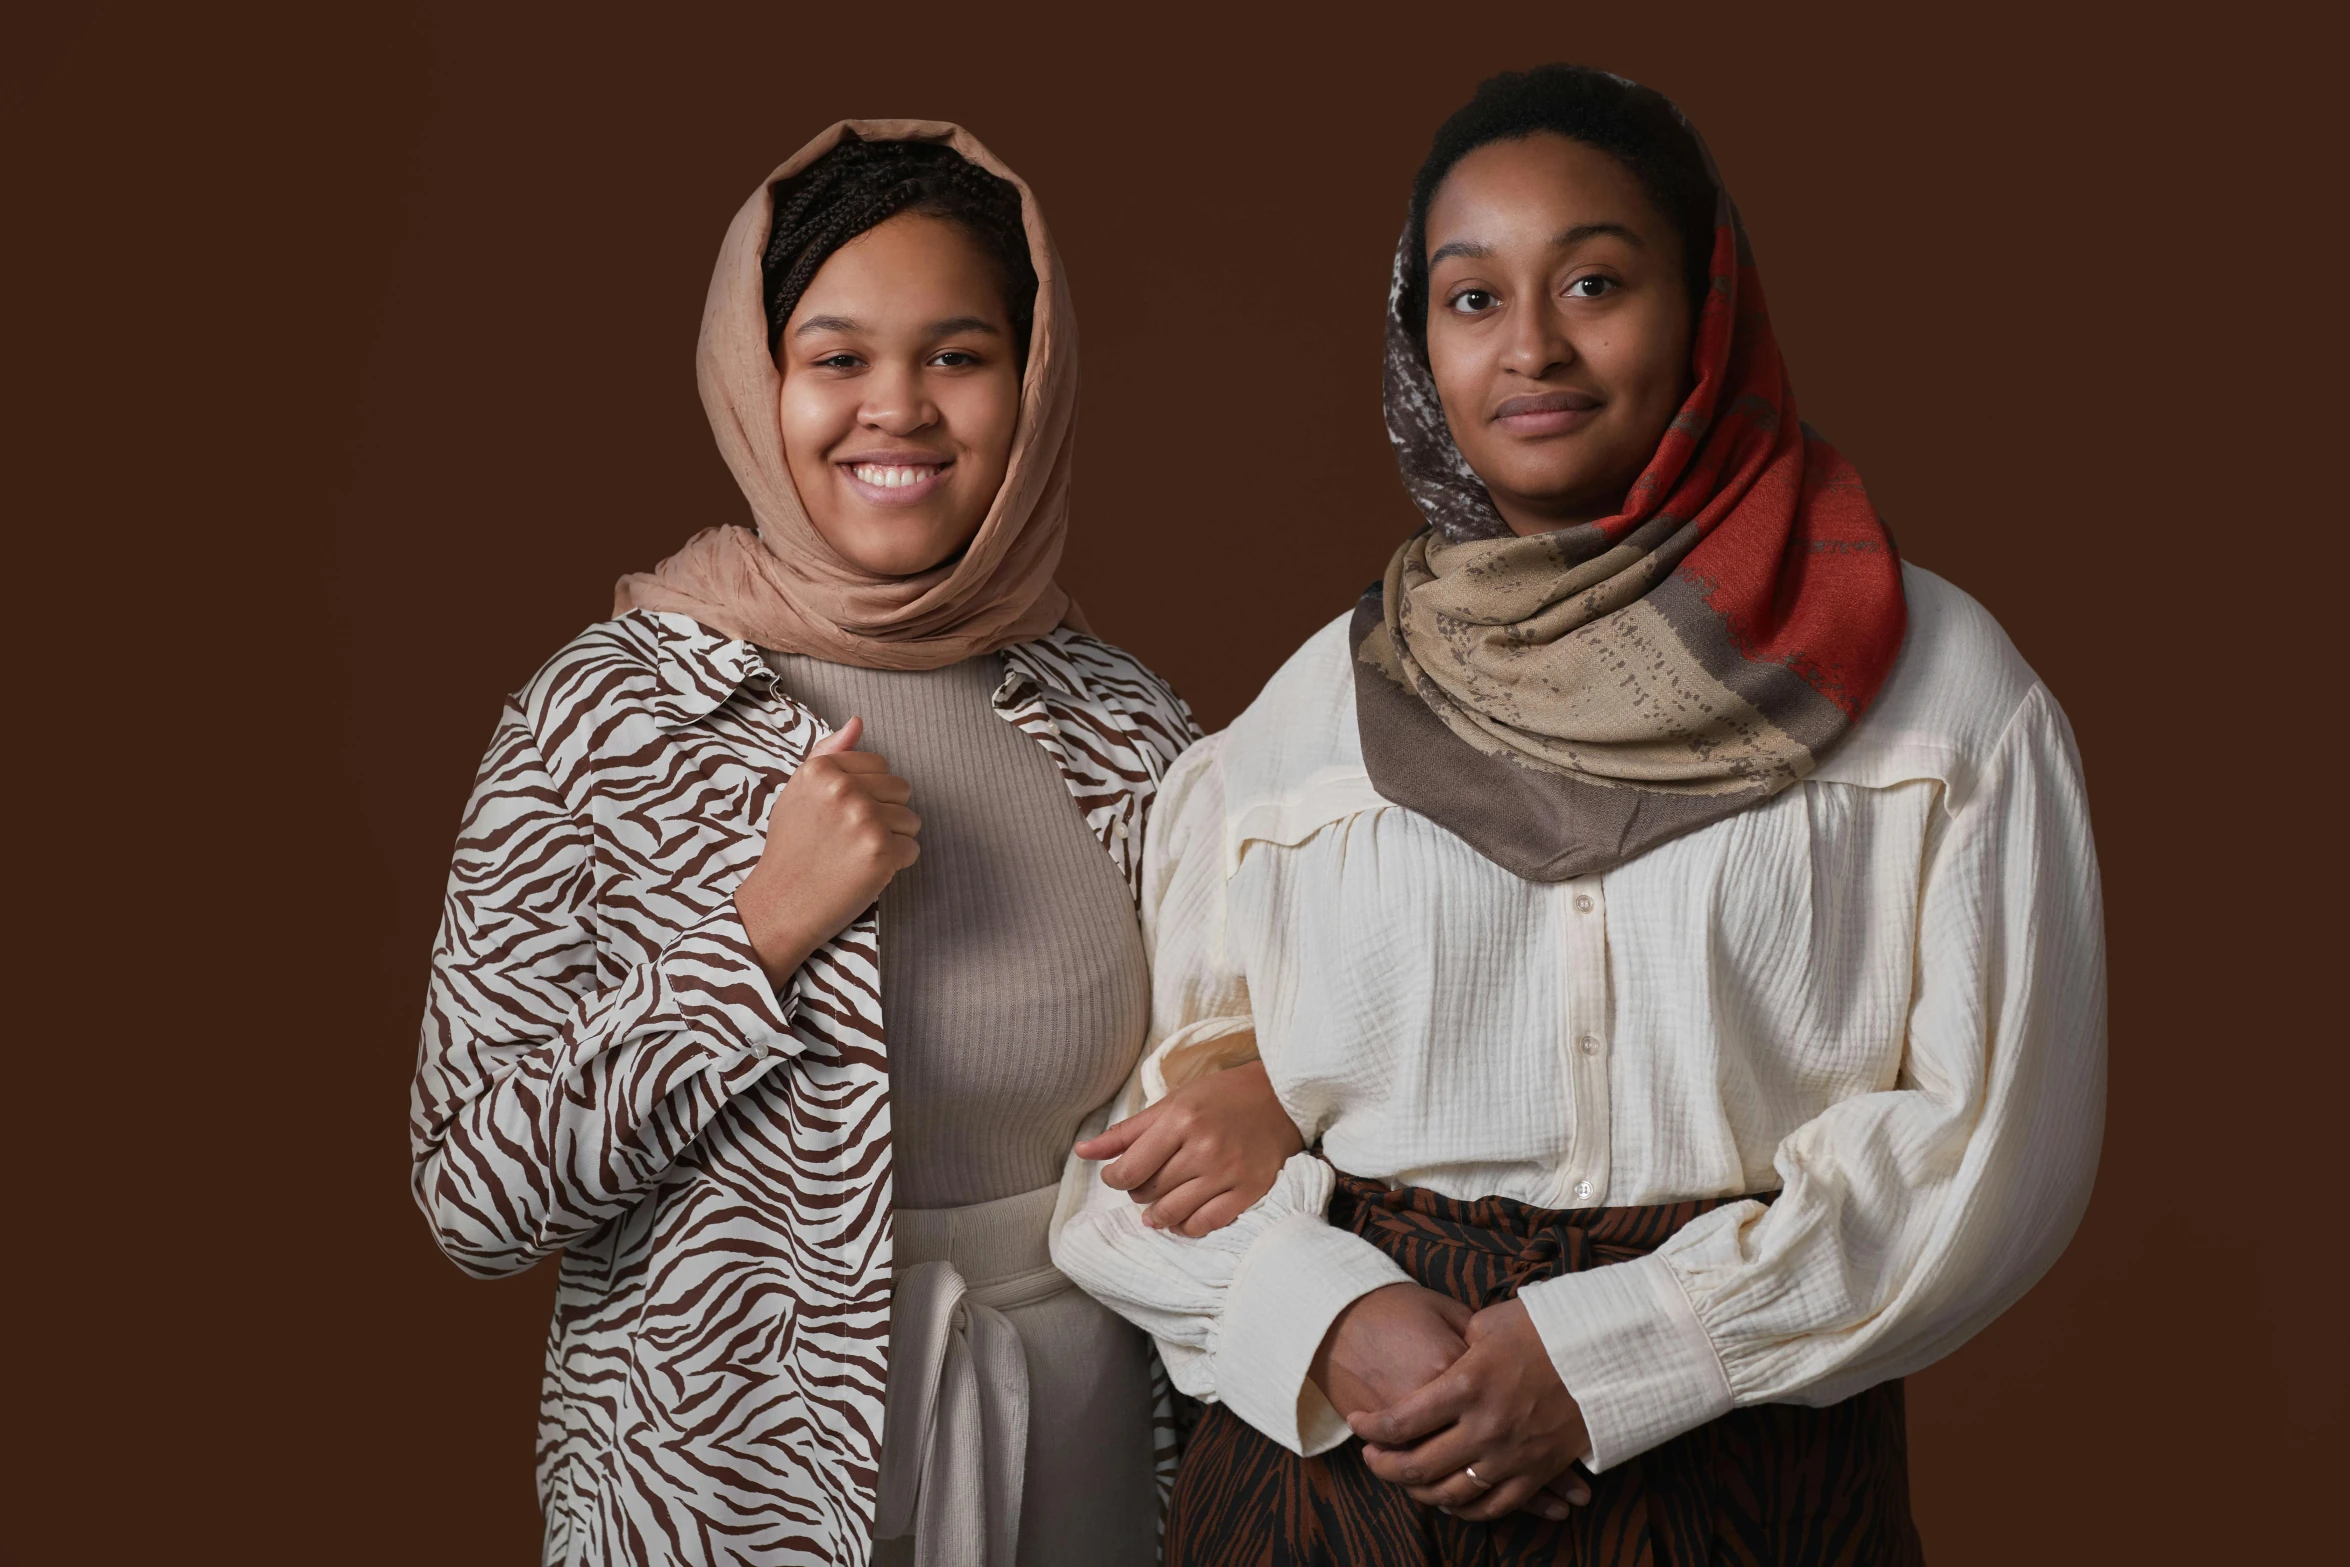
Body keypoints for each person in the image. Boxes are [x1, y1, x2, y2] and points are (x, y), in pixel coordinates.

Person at [1052, 66, 2107, 1565]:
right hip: (1342, 1485)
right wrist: (1319, 1309)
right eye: (1471, 300)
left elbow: (1988, 1150)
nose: (1530, 346)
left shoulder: (1935, 693)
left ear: (1706, 306)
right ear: (1419, 344)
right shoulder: (1303, 726)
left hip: (1738, 1477)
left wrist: (1626, 1350)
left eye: (1595, 282)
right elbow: (1124, 1164)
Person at [409, 120, 1256, 1567]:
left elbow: (1232, 1055)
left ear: (1032, 381)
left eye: (957, 353)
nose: (898, 409)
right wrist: (755, 937)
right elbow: (474, 1197)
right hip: (726, 1477)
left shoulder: (1131, 725)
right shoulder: (606, 713)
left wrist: (1250, 1089)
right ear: (760, 383)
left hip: (1091, 1449)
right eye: (837, 356)